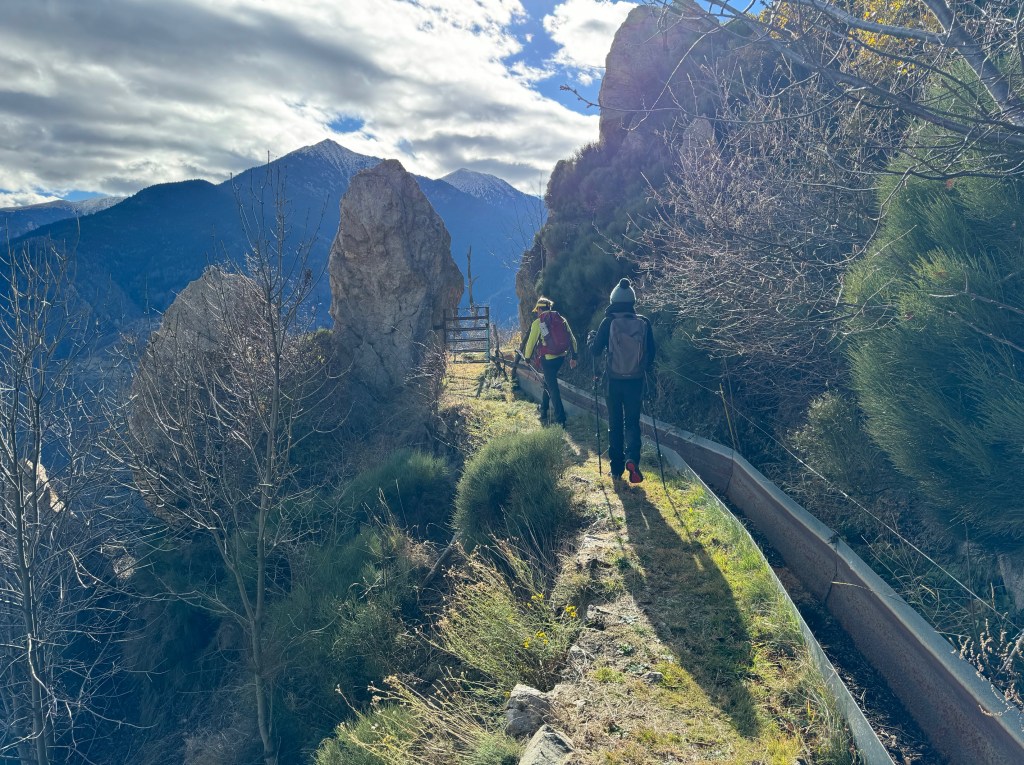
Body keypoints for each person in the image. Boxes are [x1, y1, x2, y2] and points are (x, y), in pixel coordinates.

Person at [588, 278, 656, 483]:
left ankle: (616, 469)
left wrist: (591, 338)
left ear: (613, 300)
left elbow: (595, 351)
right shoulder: (643, 323)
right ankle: (632, 459)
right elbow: (651, 354)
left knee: (615, 423)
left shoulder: (608, 322)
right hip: (636, 382)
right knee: (633, 424)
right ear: (632, 301)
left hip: (613, 382)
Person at [523, 296, 578, 426]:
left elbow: (531, 343)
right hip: (561, 357)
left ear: (540, 309)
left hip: (547, 360)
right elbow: (572, 339)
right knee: (548, 382)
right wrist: (574, 357)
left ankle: (561, 419)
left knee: (553, 388)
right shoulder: (561, 319)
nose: (537, 312)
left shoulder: (538, 323)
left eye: (537, 310)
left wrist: (527, 358)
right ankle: (543, 410)